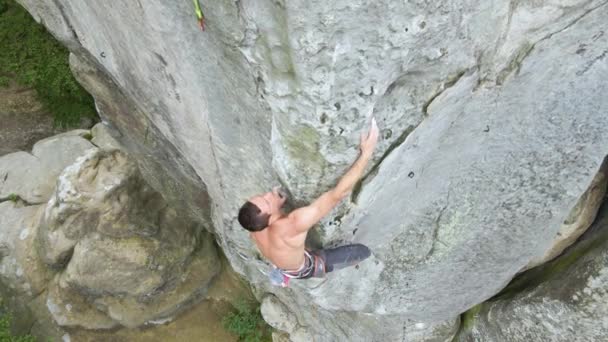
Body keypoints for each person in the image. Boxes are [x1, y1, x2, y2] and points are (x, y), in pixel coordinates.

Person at [237, 118, 380, 283]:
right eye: (267, 201)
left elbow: (272, 224)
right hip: (306, 267)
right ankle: (307, 266)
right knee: (362, 252)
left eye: (263, 196)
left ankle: (285, 269)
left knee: (291, 251)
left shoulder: (253, 224)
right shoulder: (293, 224)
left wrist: (275, 205)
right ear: (269, 216)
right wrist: (366, 154)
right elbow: (338, 194)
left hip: (282, 259)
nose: (269, 193)